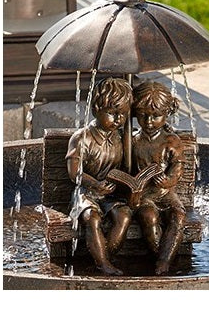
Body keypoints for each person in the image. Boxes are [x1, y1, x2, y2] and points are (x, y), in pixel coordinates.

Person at [66, 77, 133, 276]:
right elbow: (74, 172)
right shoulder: (82, 138)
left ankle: (105, 256)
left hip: (111, 194)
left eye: (122, 114)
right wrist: (94, 184)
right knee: (92, 218)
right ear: (96, 109)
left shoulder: (122, 136)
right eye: (112, 113)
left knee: (124, 215)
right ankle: (102, 264)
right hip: (87, 193)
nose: (118, 119)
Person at [132, 81, 186, 275]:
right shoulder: (132, 140)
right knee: (149, 216)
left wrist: (170, 180)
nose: (148, 121)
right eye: (143, 115)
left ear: (166, 113)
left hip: (164, 193)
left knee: (178, 215)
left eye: (156, 116)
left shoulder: (171, 141)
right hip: (144, 195)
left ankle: (164, 261)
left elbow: (178, 165)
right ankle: (160, 256)